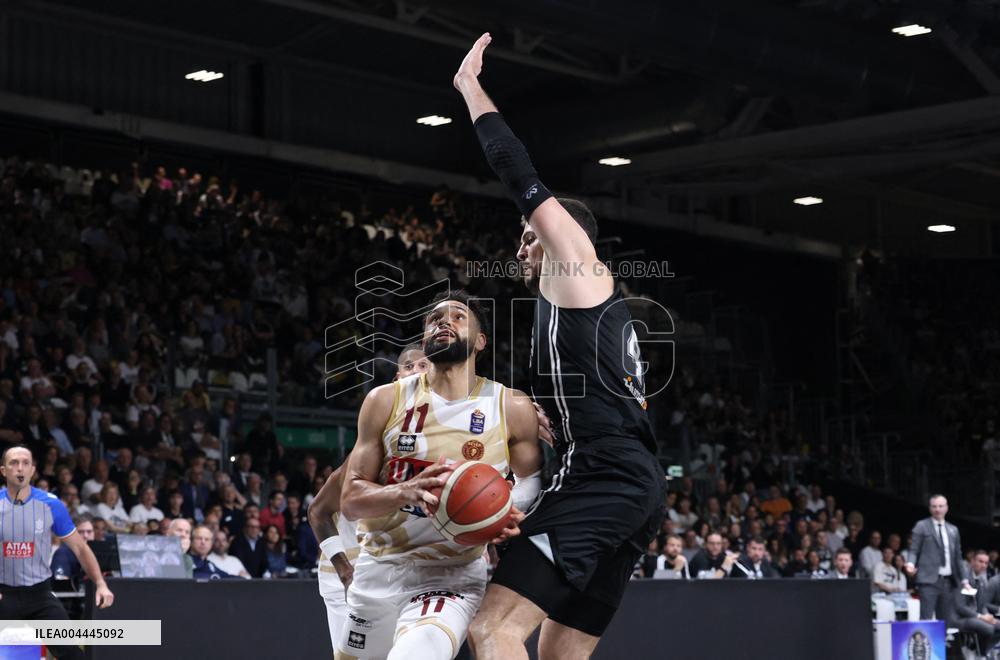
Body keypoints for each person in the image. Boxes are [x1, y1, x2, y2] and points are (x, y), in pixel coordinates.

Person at [452, 35, 667, 660]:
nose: (521, 246)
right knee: (558, 654)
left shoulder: (577, 266)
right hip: (627, 478)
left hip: (601, 474)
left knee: (492, 629)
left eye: (530, 234)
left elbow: (515, 168)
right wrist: (549, 415)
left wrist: (470, 88)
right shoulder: (577, 309)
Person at [338, 292, 543, 660]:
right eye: (434, 318)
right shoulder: (384, 400)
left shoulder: (510, 405)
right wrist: (406, 491)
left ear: (480, 342)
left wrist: (508, 509)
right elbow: (351, 501)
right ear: (424, 337)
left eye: (458, 317)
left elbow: (531, 478)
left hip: (452, 575)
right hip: (377, 569)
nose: (444, 321)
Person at [310, 347, 430, 653]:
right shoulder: (371, 448)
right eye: (409, 366)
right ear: (397, 379)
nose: (417, 371)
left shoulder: (439, 441)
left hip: (399, 569)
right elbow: (318, 513)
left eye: (424, 366)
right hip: (351, 571)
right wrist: (345, 571)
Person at [0, 446, 114, 659]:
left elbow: (80, 547)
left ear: (33, 470)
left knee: (72, 653)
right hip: (4, 593)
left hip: (40, 595)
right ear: (3, 470)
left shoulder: (51, 504)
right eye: (14, 462)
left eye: (25, 463)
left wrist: (100, 583)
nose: (20, 468)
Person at [904, 494, 970, 621]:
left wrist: (964, 580)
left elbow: (958, 557)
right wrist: (911, 564)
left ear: (946, 508)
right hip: (928, 580)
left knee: (945, 620)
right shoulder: (921, 526)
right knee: (926, 618)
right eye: (934, 506)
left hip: (948, 581)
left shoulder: (953, 530)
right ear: (930, 508)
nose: (937, 509)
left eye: (940, 506)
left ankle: (943, 635)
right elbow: (914, 549)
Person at [954, 550, 1000, 651]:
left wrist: (987, 615)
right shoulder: (964, 579)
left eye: (986, 563)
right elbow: (960, 607)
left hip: (976, 616)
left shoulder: (982, 581)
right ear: (972, 561)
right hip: (960, 617)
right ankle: (978, 652)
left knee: (997, 625)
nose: (983, 565)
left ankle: (983, 652)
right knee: (988, 628)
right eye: (980, 561)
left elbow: (982, 605)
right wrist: (981, 616)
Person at [52, 514, 95, 584]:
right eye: (81, 532)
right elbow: (60, 583)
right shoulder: (63, 553)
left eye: (89, 531)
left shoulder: (96, 552)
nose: (86, 536)